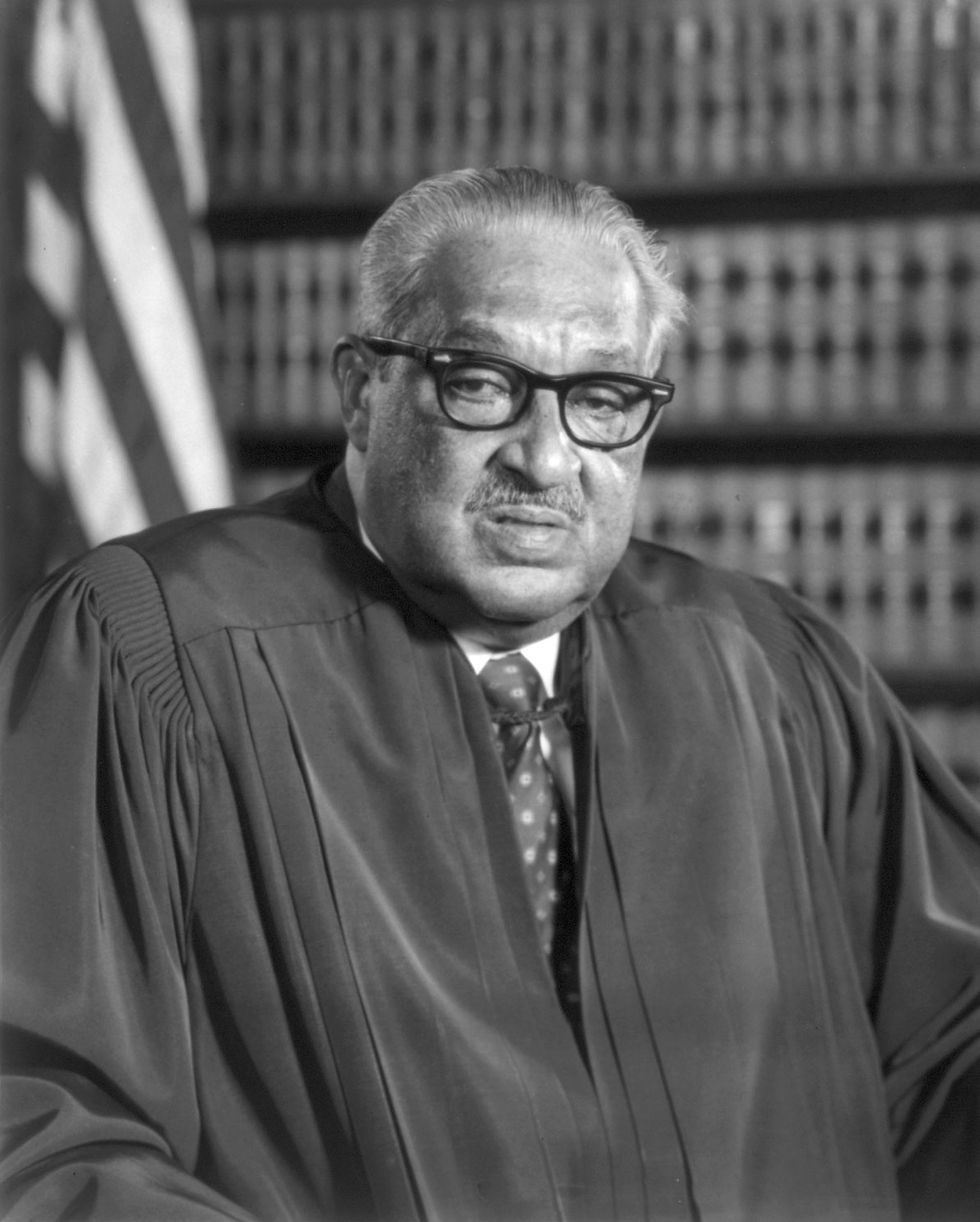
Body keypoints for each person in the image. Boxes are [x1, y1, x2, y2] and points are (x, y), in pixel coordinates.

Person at [1, 166, 979, 1222]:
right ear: (360, 390)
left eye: (601, 398)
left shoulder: (773, 671)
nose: (545, 457)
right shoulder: (153, 652)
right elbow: (40, 1121)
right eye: (480, 383)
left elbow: (945, 1057)